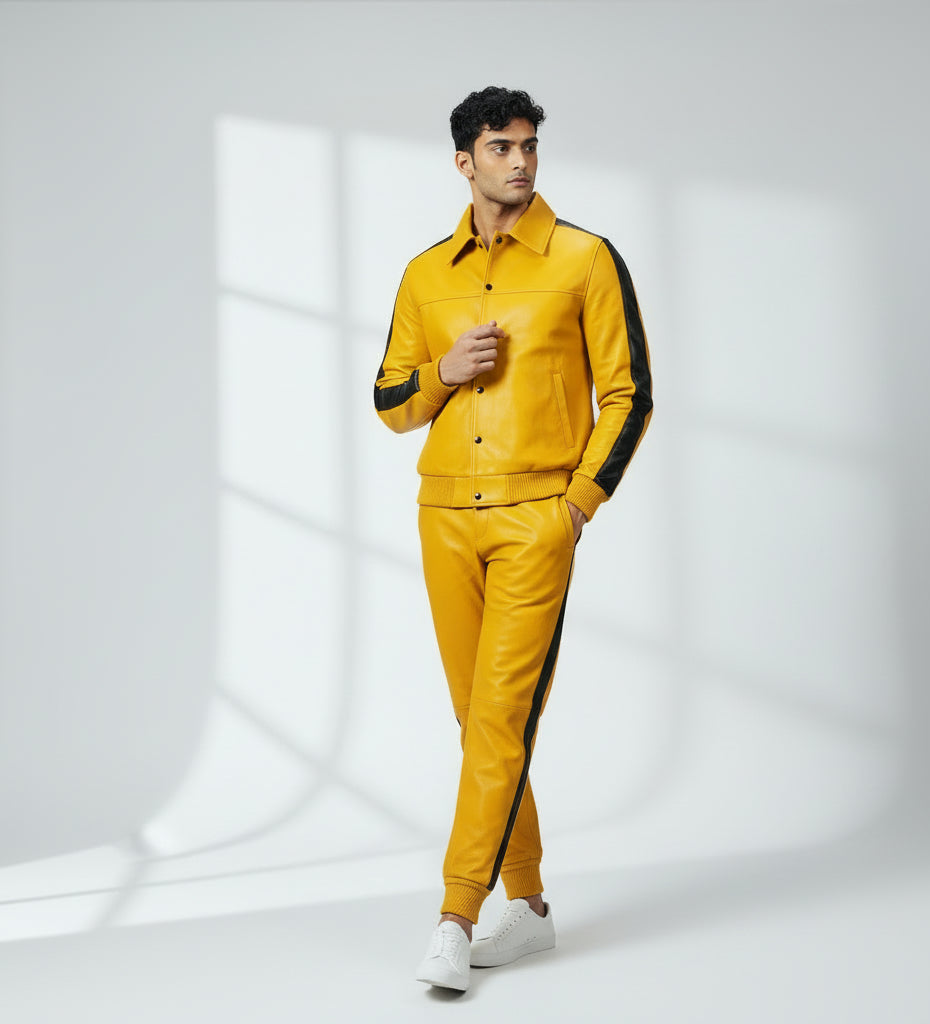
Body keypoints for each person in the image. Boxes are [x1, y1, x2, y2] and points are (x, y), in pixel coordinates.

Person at [374, 85, 653, 992]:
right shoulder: (426, 274)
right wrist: (443, 371)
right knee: (481, 722)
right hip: (444, 517)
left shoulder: (584, 258)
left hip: (537, 517)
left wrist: (577, 505)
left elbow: (630, 394)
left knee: (500, 718)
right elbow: (390, 402)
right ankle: (528, 907)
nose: (521, 160)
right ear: (465, 161)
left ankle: (455, 915)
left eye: (529, 145)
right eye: (501, 147)